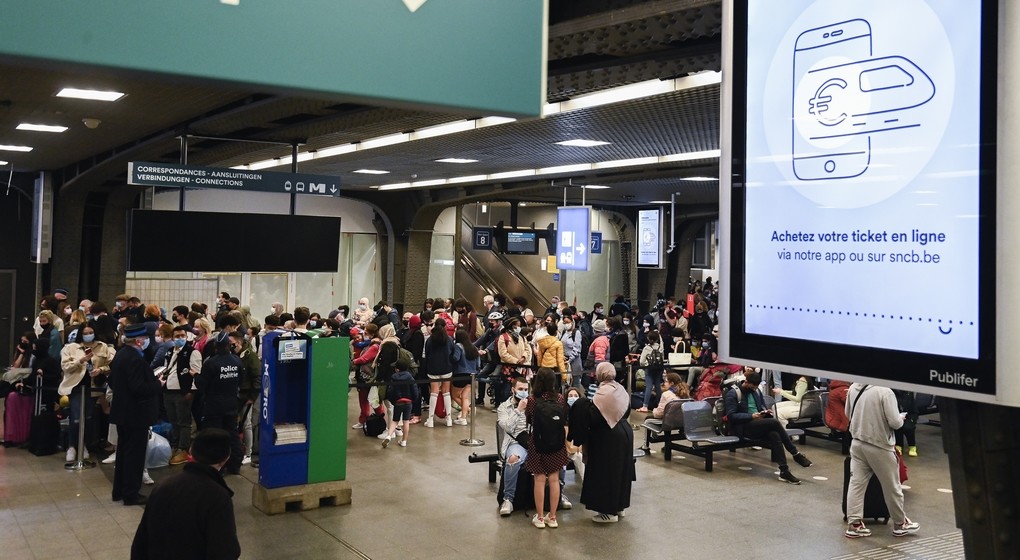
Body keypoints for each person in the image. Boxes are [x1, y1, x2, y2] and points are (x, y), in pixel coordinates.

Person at [131, 428, 241, 560]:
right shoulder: (218, 496)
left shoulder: (163, 486)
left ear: (191, 451)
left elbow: (141, 541)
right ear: (226, 458)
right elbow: (225, 551)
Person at [845, 383, 920, 539]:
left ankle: (854, 525)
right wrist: (900, 417)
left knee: (856, 485)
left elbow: (848, 413)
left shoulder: (853, 387)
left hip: (857, 442)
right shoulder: (885, 392)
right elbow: (895, 423)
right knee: (892, 486)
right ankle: (900, 524)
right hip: (880, 445)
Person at [568, 362, 635, 523]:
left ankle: (608, 511)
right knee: (621, 472)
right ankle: (619, 506)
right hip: (625, 434)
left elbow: (595, 417)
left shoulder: (603, 393)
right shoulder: (620, 389)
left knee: (607, 474)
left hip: (609, 438)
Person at [723, 371, 812, 484]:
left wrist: (765, 412)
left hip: (757, 424)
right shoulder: (733, 393)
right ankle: (795, 453)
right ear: (746, 382)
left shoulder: (756, 391)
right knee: (775, 423)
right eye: (753, 387)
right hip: (743, 427)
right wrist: (751, 416)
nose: (754, 389)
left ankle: (784, 471)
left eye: (756, 387)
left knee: (774, 435)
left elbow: (761, 406)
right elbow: (731, 416)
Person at [109, 323, 161, 506]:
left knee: (123, 452)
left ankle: (119, 490)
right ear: (139, 340)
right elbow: (138, 387)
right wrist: (156, 384)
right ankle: (131, 493)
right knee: (135, 455)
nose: (147, 341)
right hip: (136, 414)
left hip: (122, 412)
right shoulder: (135, 359)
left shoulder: (121, 355)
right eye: (146, 339)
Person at [524, 368, 569, 529]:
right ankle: (553, 517)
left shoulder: (532, 400)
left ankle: (540, 517)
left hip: (538, 443)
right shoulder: (560, 399)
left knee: (539, 479)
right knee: (555, 479)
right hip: (557, 444)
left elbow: (529, 419)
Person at [195, 331, 244, 475]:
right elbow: (241, 380)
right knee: (233, 435)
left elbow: (202, 385)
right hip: (232, 404)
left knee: (215, 436)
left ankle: (218, 465)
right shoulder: (237, 361)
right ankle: (235, 464)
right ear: (229, 346)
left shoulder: (211, 363)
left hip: (214, 405)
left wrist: (196, 376)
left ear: (216, 346)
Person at [161, 325, 203, 465]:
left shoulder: (192, 352)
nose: (180, 338)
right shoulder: (169, 351)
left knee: (184, 421)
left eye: (182, 336)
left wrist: (191, 391)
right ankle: (175, 445)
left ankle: (183, 448)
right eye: (177, 336)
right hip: (168, 391)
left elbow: (196, 372)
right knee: (173, 421)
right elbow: (166, 368)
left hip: (183, 392)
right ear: (172, 338)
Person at [496, 375, 530, 517]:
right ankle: (508, 499)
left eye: (526, 389)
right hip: (515, 443)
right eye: (520, 389)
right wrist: (518, 410)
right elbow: (507, 427)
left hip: (534, 441)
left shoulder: (533, 404)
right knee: (513, 459)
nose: (523, 392)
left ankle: (560, 493)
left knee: (558, 454)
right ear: (513, 390)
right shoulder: (504, 407)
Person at [421, 317, 461, 428]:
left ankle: (430, 420)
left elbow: (427, 354)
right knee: (446, 392)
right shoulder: (448, 339)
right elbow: (453, 353)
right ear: (444, 327)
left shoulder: (430, 339)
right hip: (447, 368)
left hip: (433, 368)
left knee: (433, 392)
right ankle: (449, 419)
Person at [381, 352, 419, 448]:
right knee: (406, 421)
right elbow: (415, 391)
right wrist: (413, 400)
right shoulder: (410, 378)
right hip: (408, 402)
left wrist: (393, 401)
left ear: (397, 369)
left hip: (398, 402)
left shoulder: (393, 378)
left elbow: (390, 392)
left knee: (395, 421)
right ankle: (404, 441)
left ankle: (389, 436)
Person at [451, 329, 480, 425]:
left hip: (460, 374)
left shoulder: (458, 346)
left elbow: (455, 358)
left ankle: (468, 410)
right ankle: (463, 417)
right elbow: (478, 364)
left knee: (454, 395)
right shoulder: (474, 348)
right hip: (472, 375)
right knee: (465, 397)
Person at [637, 330, 666, 413]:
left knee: (649, 386)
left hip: (649, 369)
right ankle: (659, 405)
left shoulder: (647, 348)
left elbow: (642, 361)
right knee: (657, 386)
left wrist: (647, 365)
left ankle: (645, 406)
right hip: (659, 369)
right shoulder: (660, 347)